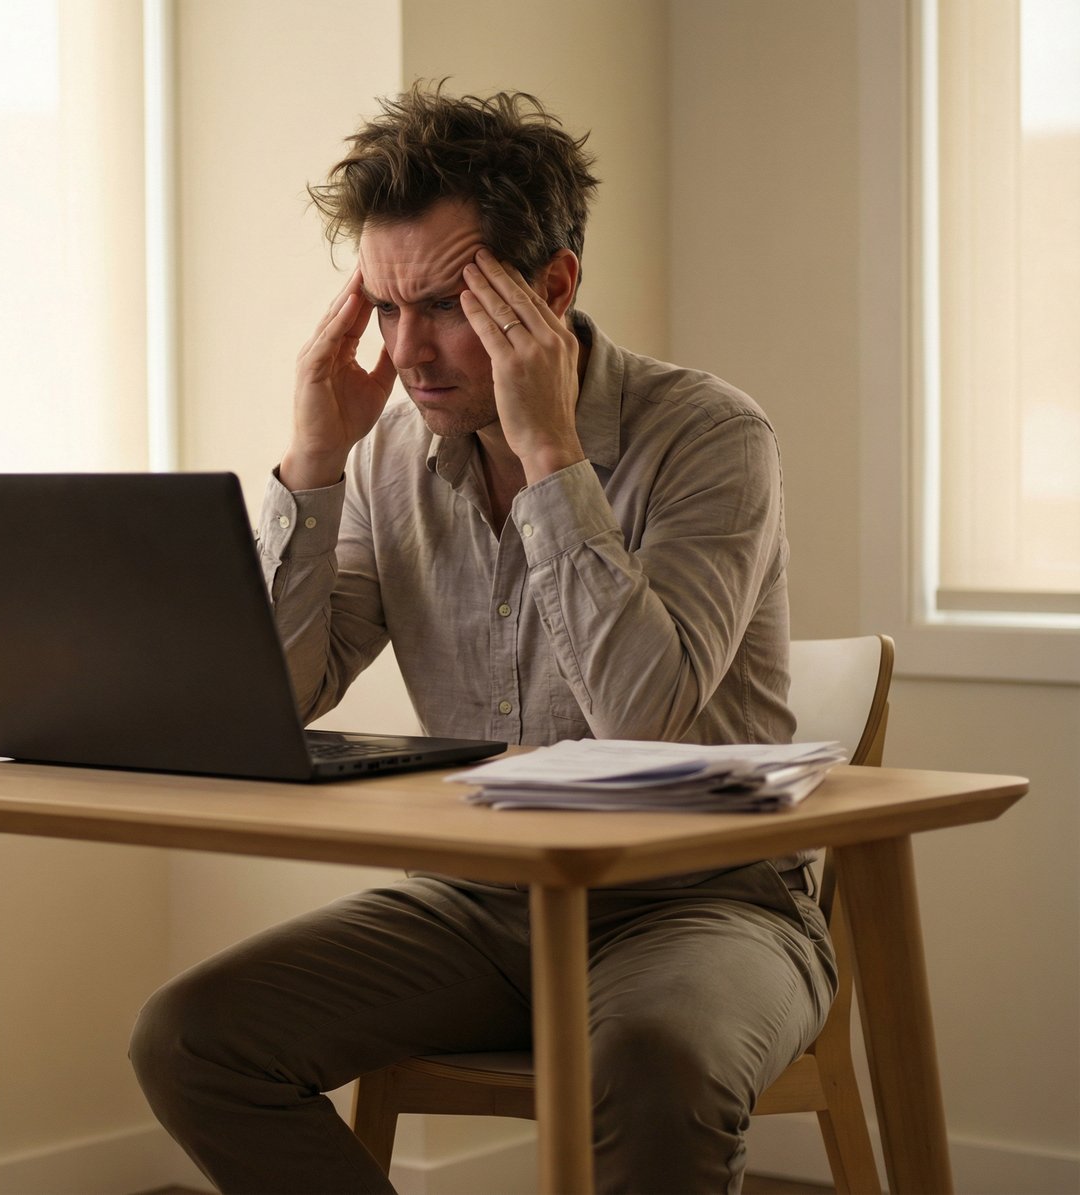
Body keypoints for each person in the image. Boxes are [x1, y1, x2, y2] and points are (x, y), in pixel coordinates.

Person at [130, 84, 835, 1195]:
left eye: (446, 305)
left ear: (551, 287)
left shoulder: (706, 434)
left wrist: (550, 453)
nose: (406, 351)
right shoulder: (385, 453)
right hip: (475, 898)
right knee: (190, 1038)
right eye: (382, 306)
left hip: (699, 899)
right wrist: (312, 464)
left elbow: (639, 717)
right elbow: (277, 697)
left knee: (655, 1063)